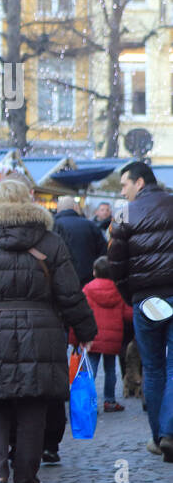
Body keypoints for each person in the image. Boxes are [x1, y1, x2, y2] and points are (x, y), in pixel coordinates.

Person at [0, 178, 96, 483]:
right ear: (28, 201)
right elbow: (69, 292)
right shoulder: (49, 241)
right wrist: (85, 330)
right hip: (41, 329)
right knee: (34, 404)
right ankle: (27, 481)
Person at [108, 160, 173, 460]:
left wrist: (131, 294)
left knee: (154, 368)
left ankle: (159, 437)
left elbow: (116, 265)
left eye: (124, 184)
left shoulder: (123, 214)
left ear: (140, 183)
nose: (122, 192)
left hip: (145, 300)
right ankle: (169, 431)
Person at [79, 257, 131, 413]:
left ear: (94, 272)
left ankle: (87, 401)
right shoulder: (118, 290)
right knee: (110, 369)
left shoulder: (87, 289)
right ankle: (109, 401)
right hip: (113, 339)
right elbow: (128, 314)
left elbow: (80, 312)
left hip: (92, 336)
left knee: (91, 368)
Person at [53, 195, 107, 286]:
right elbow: (103, 252)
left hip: (61, 280)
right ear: (75, 208)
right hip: (88, 280)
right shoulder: (90, 225)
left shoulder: (53, 225)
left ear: (58, 209)